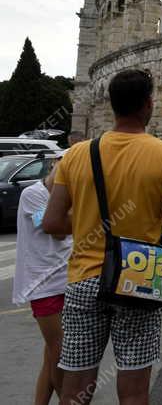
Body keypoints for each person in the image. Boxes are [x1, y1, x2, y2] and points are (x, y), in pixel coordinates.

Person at [42, 69, 162, 403]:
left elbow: (52, 222)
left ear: (111, 105)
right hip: (139, 277)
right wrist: (158, 211)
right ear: (149, 104)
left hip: (84, 278)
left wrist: (87, 220)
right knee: (135, 386)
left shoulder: (78, 154)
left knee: (76, 384)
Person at [14, 145, 76, 405]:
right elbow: (57, 230)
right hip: (42, 283)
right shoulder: (32, 194)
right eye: (61, 167)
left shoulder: (72, 197)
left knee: (52, 355)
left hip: (68, 280)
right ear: (53, 165)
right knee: (59, 352)